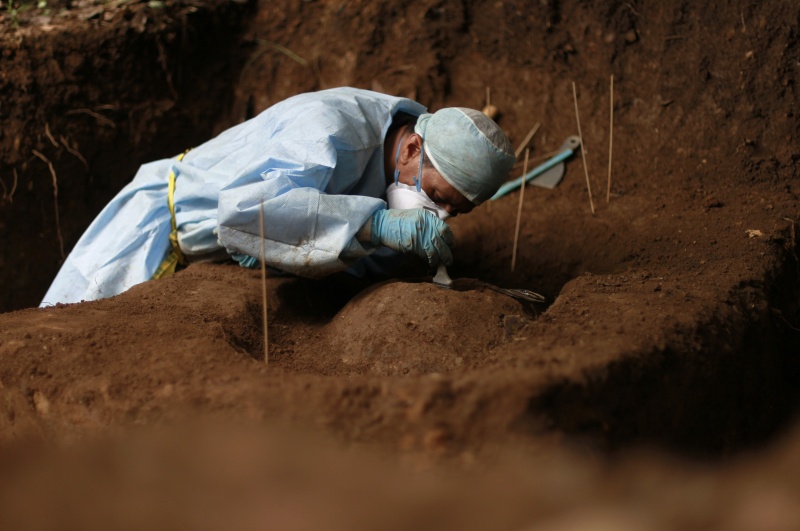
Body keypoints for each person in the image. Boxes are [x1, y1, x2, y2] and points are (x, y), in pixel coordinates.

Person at [40, 87, 515, 306]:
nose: (440, 214)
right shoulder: (330, 128)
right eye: (437, 196)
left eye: (456, 211)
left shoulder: (397, 160)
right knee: (64, 338)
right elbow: (248, 210)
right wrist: (377, 225)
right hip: (155, 230)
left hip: (208, 261)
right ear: (412, 148)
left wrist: (388, 246)